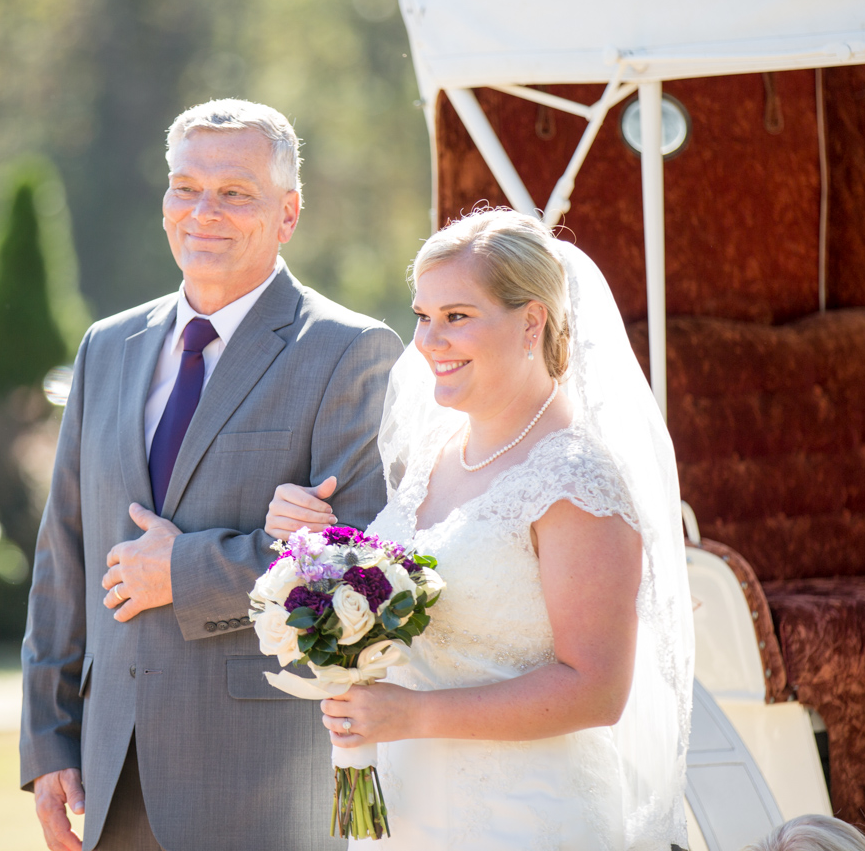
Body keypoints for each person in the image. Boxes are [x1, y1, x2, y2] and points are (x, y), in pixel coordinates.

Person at [20, 99, 403, 851]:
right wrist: (48, 739)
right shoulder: (105, 347)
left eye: (234, 193)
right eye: (186, 188)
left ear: (288, 213)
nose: (204, 212)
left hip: (260, 785)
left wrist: (184, 570)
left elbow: (364, 569)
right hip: (110, 771)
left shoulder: (349, 351)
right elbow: (63, 553)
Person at [265, 208, 695, 851]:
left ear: (531, 322)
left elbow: (597, 690)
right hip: (408, 811)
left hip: (523, 817)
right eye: (423, 316)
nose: (429, 341)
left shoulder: (576, 479)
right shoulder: (436, 450)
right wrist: (310, 543)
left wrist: (413, 715)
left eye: (457, 316)